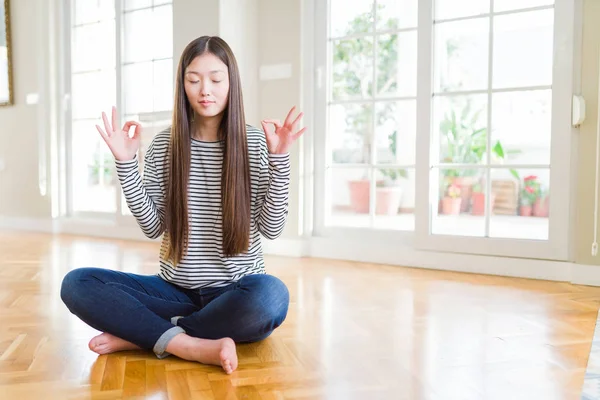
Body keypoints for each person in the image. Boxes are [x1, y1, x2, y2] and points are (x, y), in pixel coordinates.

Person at [60, 36, 306, 375]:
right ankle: (187, 342)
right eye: (194, 80)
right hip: (173, 290)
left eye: (216, 79)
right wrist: (126, 162)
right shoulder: (166, 143)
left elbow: (272, 228)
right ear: (183, 85)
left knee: (270, 297)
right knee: (77, 283)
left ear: (232, 83)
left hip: (236, 292)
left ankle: (147, 334)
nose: (205, 89)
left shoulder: (253, 142)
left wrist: (280, 160)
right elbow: (152, 227)